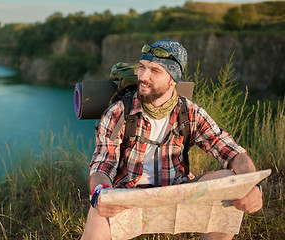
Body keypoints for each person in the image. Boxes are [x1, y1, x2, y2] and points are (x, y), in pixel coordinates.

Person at [81, 39, 262, 240]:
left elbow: (231, 151)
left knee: (231, 181)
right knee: (98, 209)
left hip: (178, 193)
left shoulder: (190, 112)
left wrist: (252, 186)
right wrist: (101, 192)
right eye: (142, 68)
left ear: (173, 79)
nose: (143, 76)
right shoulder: (118, 112)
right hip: (129, 197)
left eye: (155, 71)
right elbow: (103, 164)